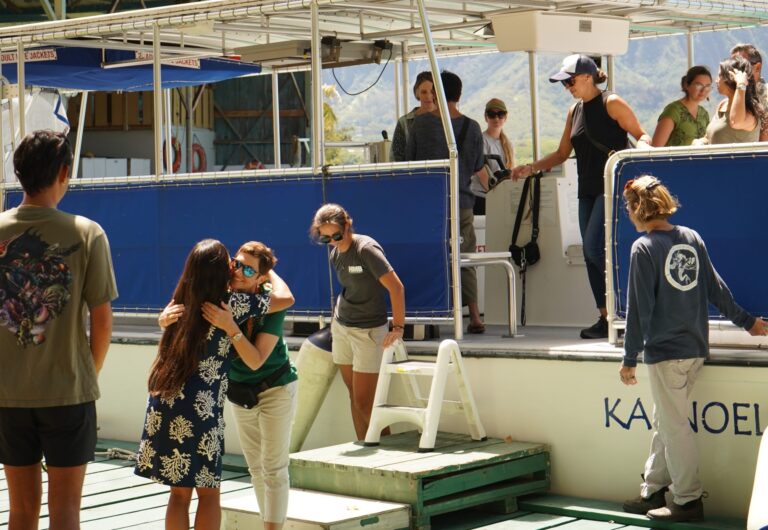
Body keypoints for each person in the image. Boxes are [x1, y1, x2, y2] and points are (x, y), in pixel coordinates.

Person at [619, 175, 766, 522]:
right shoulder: (691, 238)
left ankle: (687, 500)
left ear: (639, 209)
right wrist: (748, 322)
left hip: (666, 353)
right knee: (665, 421)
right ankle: (653, 488)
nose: (627, 213)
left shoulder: (643, 249)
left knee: (674, 427)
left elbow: (640, 309)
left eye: (628, 207)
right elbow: (716, 290)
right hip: (695, 349)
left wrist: (628, 358)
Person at [0, 129, 117, 530]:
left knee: (19, 511)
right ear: (64, 172)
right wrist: (87, 376)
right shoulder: (87, 233)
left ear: (19, 174)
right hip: (68, 392)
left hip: (7, 394)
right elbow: (102, 322)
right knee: (66, 513)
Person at [136, 239, 292, 530]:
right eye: (233, 264)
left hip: (163, 403)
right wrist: (267, 270)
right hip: (200, 410)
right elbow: (286, 299)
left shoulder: (179, 301)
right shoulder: (231, 304)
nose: (236, 269)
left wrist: (161, 320)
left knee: (178, 495)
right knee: (208, 495)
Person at [512, 54, 650, 339]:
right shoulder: (573, 112)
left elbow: (641, 133)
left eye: (570, 81)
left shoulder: (611, 102)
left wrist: (643, 150)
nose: (568, 88)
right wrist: (530, 168)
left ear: (588, 77)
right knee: (592, 255)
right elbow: (563, 154)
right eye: (564, 84)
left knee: (591, 249)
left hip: (612, 188)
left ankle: (620, 312)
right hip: (586, 189)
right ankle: (607, 316)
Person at [310, 203, 405, 440]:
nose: (333, 241)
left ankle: (388, 455)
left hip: (369, 331)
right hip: (342, 327)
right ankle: (365, 448)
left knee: (366, 403)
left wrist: (398, 328)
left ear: (348, 225)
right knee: (354, 397)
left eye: (337, 235)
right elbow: (349, 288)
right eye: (326, 238)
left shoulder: (366, 249)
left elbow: (396, 288)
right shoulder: (335, 253)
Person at [406, 70, 489, 333]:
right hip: (463, 203)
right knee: (465, 258)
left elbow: (410, 164)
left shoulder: (419, 125)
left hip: (429, 205)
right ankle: (475, 316)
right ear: (460, 93)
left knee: (431, 257)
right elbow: (478, 166)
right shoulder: (473, 127)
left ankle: (432, 313)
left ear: (438, 93)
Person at [696, 56, 761, 145]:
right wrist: (699, 142)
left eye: (719, 75)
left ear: (731, 78)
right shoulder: (723, 105)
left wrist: (741, 84)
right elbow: (710, 136)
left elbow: (735, 122)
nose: (716, 80)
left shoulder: (750, 114)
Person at [473, 97, 515, 215]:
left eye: (500, 114)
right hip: (482, 198)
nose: (496, 118)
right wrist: (497, 197)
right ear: (486, 117)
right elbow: (481, 173)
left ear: (505, 117)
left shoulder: (508, 144)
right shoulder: (481, 140)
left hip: (499, 197)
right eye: (492, 114)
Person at [651, 66, 712, 147]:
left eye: (707, 86)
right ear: (687, 85)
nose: (703, 90)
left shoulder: (704, 114)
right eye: (699, 85)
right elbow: (656, 148)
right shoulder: (673, 111)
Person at [390, 71, 435, 162]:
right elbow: (395, 158)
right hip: (412, 175)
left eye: (432, 92)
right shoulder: (404, 122)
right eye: (424, 92)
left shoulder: (448, 122)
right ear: (417, 93)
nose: (429, 96)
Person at [730, 43, 768, 141]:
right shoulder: (737, 94)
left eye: (740, 65)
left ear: (757, 67)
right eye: (732, 66)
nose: (734, 70)